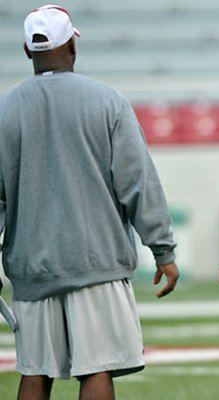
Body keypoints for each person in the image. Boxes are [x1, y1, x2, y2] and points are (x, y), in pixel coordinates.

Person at [0, 5, 179, 400]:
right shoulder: (108, 102)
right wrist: (162, 249)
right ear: (72, 47)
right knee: (97, 370)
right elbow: (139, 183)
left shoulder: (5, 110)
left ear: (27, 51)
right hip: (96, 264)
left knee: (34, 373)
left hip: (31, 271)